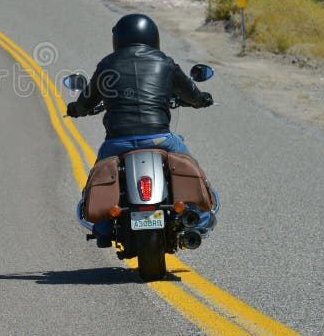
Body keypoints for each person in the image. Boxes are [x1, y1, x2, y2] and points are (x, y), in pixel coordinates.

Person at [66, 13, 215, 245]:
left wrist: (76, 108)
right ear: (153, 37)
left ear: (118, 39)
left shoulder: (108, 65)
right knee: (191, 167)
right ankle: (202, 218)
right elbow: (191, 92)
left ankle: (103, 227)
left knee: (97, 176)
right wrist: (202, 99)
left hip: (118, 142)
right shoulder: (165, 62)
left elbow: (87, 101)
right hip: (159, 139)